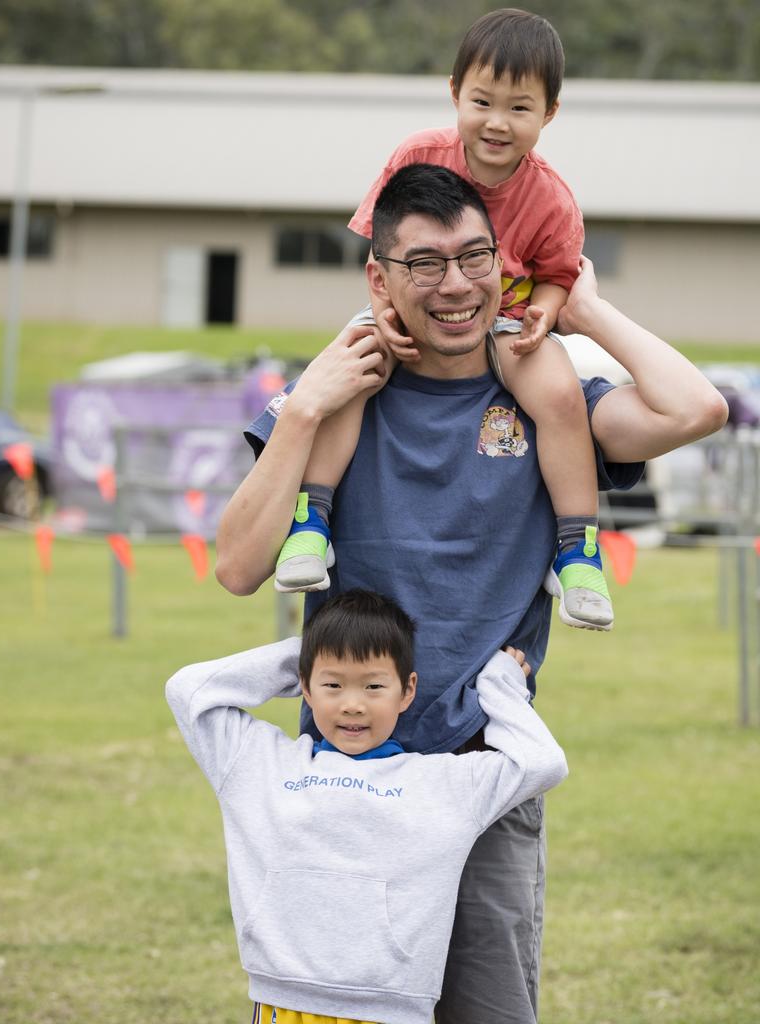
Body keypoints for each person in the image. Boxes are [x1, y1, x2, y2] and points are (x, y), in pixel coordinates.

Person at [215, 163, 727, 1023]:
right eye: (424, 262)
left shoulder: (545, 391)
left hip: (483, 784)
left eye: (474, 256)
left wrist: (584, 303)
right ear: (378, 277)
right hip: (346, 782)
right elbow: (237, 566)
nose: (455, 285)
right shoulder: (339, 399)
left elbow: (697, 409)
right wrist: (304, 409)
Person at [274, 9, 608, 631]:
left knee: (561, 395)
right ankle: (310, 520)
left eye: (520, 108)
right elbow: (379, 247)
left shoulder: (552, 198)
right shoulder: (419, 154)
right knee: (356, 369)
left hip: (503, 321)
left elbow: (561, 272)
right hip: (409, 308)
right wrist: (383, 313)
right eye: (482, 101)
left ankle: (577, 548)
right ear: (455, 92)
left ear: (550, 113)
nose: (497, 123)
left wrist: (545, 313)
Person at [166, 589, 568, 1024]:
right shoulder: (260, 764)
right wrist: (310, 654)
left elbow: (542, 763)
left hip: (394, 1006)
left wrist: (499, 684)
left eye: (374, 685)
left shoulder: (444, 784)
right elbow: (188, 691)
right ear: (305, 687)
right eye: (333, 685)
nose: (353, 704)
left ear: (407, 690)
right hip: (286, 998)